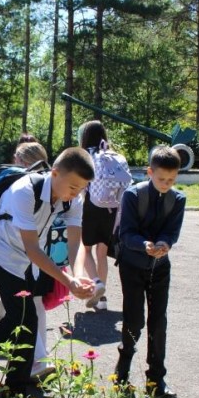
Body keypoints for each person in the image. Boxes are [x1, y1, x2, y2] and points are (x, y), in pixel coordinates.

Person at [0, 148, 96, 394]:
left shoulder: (73, 198)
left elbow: (75, 243)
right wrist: (69, 281)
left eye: (82, 188)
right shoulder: (24, 191)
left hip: (31, 257)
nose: (76, 193)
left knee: (23, 318)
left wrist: (79, 274)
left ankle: (15, 380)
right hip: (4, 253)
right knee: (24, 317)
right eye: (73, 187)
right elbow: (32, 249)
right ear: (55, 172)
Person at [114, 145, 186, 398]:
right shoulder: (132, 196)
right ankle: (122, 373)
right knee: (134, 320)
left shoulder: (178, 199)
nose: (166, 184)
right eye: (161, 179)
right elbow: (126, 233)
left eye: (171, 180)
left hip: (160, 268)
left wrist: (165, 245)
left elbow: (172, 231)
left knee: (158, 322)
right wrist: (144, 245)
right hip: (132, 265)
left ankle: (156, 379)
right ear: (149, 172)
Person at [78, 120, 131, 311]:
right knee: (102, 253)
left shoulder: (86, 156)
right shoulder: (113, 156)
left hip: (91, 207)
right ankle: (102, 299)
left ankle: (96, 284)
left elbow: (81, 186)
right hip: (113, 209)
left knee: (84, 250)